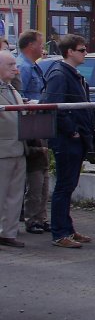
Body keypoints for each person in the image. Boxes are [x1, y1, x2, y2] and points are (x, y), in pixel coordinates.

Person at [41, 34, 94, 249]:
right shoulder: (60, 74)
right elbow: (52, 105)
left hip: (76, 137)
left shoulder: (72, 74)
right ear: (70, 52)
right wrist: (71, 130)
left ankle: (67, 228)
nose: (85, 53)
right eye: (82, 50)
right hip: (67, 139)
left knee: (69, 184)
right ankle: (60, 233)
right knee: (64, 185)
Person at [16, 29, 49, 234]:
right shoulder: (23, 67)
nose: (42, 47)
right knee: (36, 172)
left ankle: (39, 215)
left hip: (39, 123)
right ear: (30, 46)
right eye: (40, 43)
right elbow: (19, 99)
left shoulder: (32, 66)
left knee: (43, 172)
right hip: (32, 125)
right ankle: (32, 217)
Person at [0, 50, 27, 247]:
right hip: (3, 149)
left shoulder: (11, 89)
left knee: (15, 194)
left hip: (18, 147)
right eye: (10, 65)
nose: (15, 70)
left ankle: (9, 233)